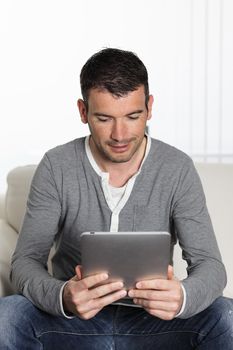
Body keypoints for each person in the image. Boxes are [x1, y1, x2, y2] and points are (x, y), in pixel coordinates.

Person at [0, 48, 232, 349]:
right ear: (83, 112)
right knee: (7, 316)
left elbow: (211, 266)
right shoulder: (57, 166)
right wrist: (64, 297)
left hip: (156, 325)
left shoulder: (177, 168)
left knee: (226, 316)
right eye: (104, 118)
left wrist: (182, 297)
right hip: (73, 323)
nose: (120, 135)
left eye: (133, 116)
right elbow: (25, 263)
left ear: (149, 107)